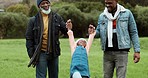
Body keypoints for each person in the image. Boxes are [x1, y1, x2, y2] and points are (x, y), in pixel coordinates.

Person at [25, 0, 72, 78]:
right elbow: (29, 38)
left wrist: (69, 28)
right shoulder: (33, 20)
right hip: (40, 53)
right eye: (43, 3)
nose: (46, 5)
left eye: (47, 2)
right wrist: (32, 55)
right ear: (39, 6)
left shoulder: (57, 17)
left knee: (54, 76)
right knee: (41, 76)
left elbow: (66, 31)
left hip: (54, 53)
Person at [94, 0, 140, 78]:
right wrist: (93, 32)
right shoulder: (102, 16)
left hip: (122, 52)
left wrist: (137, 50)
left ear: (116, 1)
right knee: (106, 76)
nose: (108, 5)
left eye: (110, 3)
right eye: (106, 3)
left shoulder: (127, 13)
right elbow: (98, 32)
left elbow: (133, 32)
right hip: (107, 53)